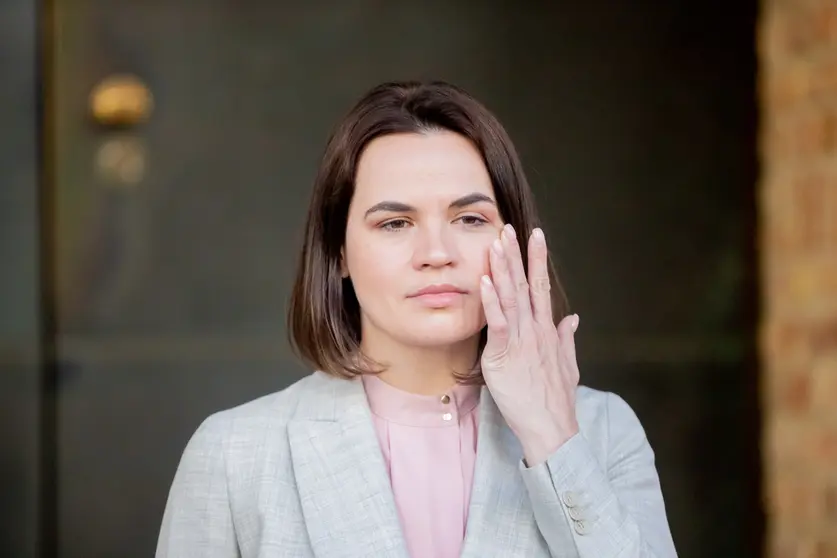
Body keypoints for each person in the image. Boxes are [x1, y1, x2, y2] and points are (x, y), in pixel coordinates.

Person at [155, 80, 677, 558]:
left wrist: (550, 437)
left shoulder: (603, 432)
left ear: (512, 240)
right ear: (338, 251)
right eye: (395, 223)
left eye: (469, 219)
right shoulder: (234, 454)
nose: (436, 252)